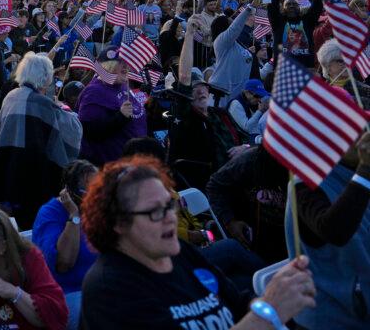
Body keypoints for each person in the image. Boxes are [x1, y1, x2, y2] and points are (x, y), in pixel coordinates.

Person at [79, 155, 317, 330]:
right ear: (117, 224)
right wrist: (269, 311)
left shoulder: (179, 254)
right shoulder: (108, 289)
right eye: (154, 211)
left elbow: (236, 301)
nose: (170, 219)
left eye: (169, 206)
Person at [0, 53, 82, 231]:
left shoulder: (11, 96)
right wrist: (64, 109)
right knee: (35, 222)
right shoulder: (41, 103)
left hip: (8, 166)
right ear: (45, 77)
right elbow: (73, 130)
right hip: (35, 172)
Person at [286, 130, 370, 329]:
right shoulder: (305, 183)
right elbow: (335, 231)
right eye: (357, 131)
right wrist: (365, 170)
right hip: (334, 315)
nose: (365, 137)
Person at [31, 161, 98, 330]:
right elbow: (63, 264)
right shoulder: (50, 213)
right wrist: (74, 216)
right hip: (68, 293)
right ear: (71, 193)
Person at [76, 59, 146, 166]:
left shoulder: (122, 85)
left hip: (135, 162)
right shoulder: (93, 91)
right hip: (112, 166)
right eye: (120, 63)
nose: (126, 66)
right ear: (108, 67)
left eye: (126, 62)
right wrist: (120, 117)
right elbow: (89, 131)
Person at [267, 0, 323, 68]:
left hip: (305, 69)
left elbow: (317, 6)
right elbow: (272, 5)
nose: (292, 6)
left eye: (295, 4)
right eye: (288, 4)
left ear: (299, 7)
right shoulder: (278, 21)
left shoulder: (307, 21)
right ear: (283, 8)